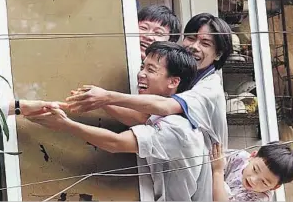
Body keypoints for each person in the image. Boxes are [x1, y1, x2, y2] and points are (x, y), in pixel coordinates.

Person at [26, 41, 211, 201]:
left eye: (151, 70)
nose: (141, 74)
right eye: (142, 67)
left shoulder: (177, 128)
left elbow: (116, 143)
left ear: (173, 82)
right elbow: (140, 119)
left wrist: (66, 125)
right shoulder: (168, 117)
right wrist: (98, 103)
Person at [66, 13, 233, 151]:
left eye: (205, 43)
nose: (195, 46)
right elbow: (142, 117)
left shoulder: (209, 88)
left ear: (218, 54)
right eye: (190, 38)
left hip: (206, 178)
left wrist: (106, 97)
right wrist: (97, 101)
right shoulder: (182, 74)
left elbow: (165, 107)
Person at [210, 142, 293, 201]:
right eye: (255, 169)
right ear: (252, 156)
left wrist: (218, 172)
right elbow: (217, 159)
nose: (253, 180)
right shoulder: (240, 157)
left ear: (274, 187)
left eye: (264, 182)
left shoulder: (259, 199)